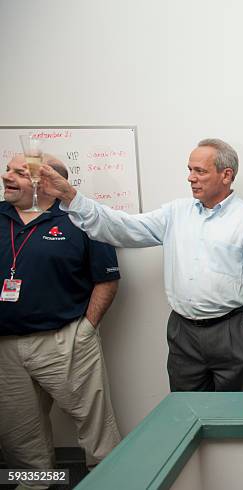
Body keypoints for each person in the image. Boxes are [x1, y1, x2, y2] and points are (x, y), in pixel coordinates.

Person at [40, 138, 243, 392]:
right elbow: (122, 228)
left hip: (232, 331)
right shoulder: (175, 213)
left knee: (235, 415)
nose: (190, 178)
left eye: (200, 171)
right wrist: (71, 196)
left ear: (226, 175)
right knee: (186, 413)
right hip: (183, 333)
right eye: (189, 169)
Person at [0, 155, 121, 487]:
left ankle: (107, 482)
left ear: (47, 182)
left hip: (64, 340)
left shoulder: (82, 218)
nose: (6, 176)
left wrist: (85, 330)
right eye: (9, 169)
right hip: (5, 348)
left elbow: (107, 279)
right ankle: (37, 483)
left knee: (96, 429)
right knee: (20, 436)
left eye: (19, 173)